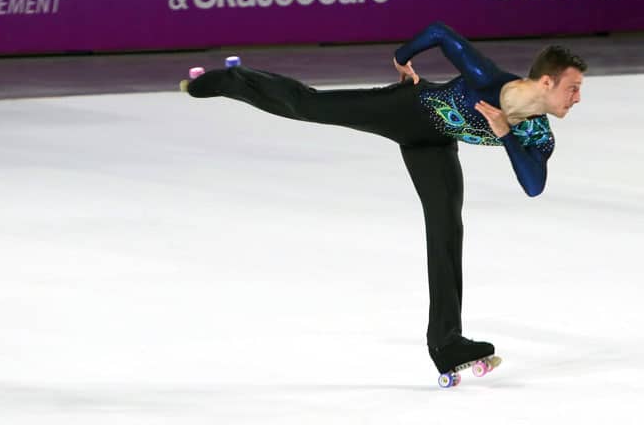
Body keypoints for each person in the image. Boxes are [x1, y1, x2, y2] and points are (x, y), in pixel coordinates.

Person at [183, 22, 587, 378]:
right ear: (547, 82)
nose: (577, 99)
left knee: (447, 229)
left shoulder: (538, 132)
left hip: (434, 144)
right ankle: (229, 81)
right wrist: (402, 58)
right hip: (406, 109)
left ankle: (447, 344)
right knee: (311, 105)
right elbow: (441, 33)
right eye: (573, 88)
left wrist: (503, 132)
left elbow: (534, 185)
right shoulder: (489, 80)